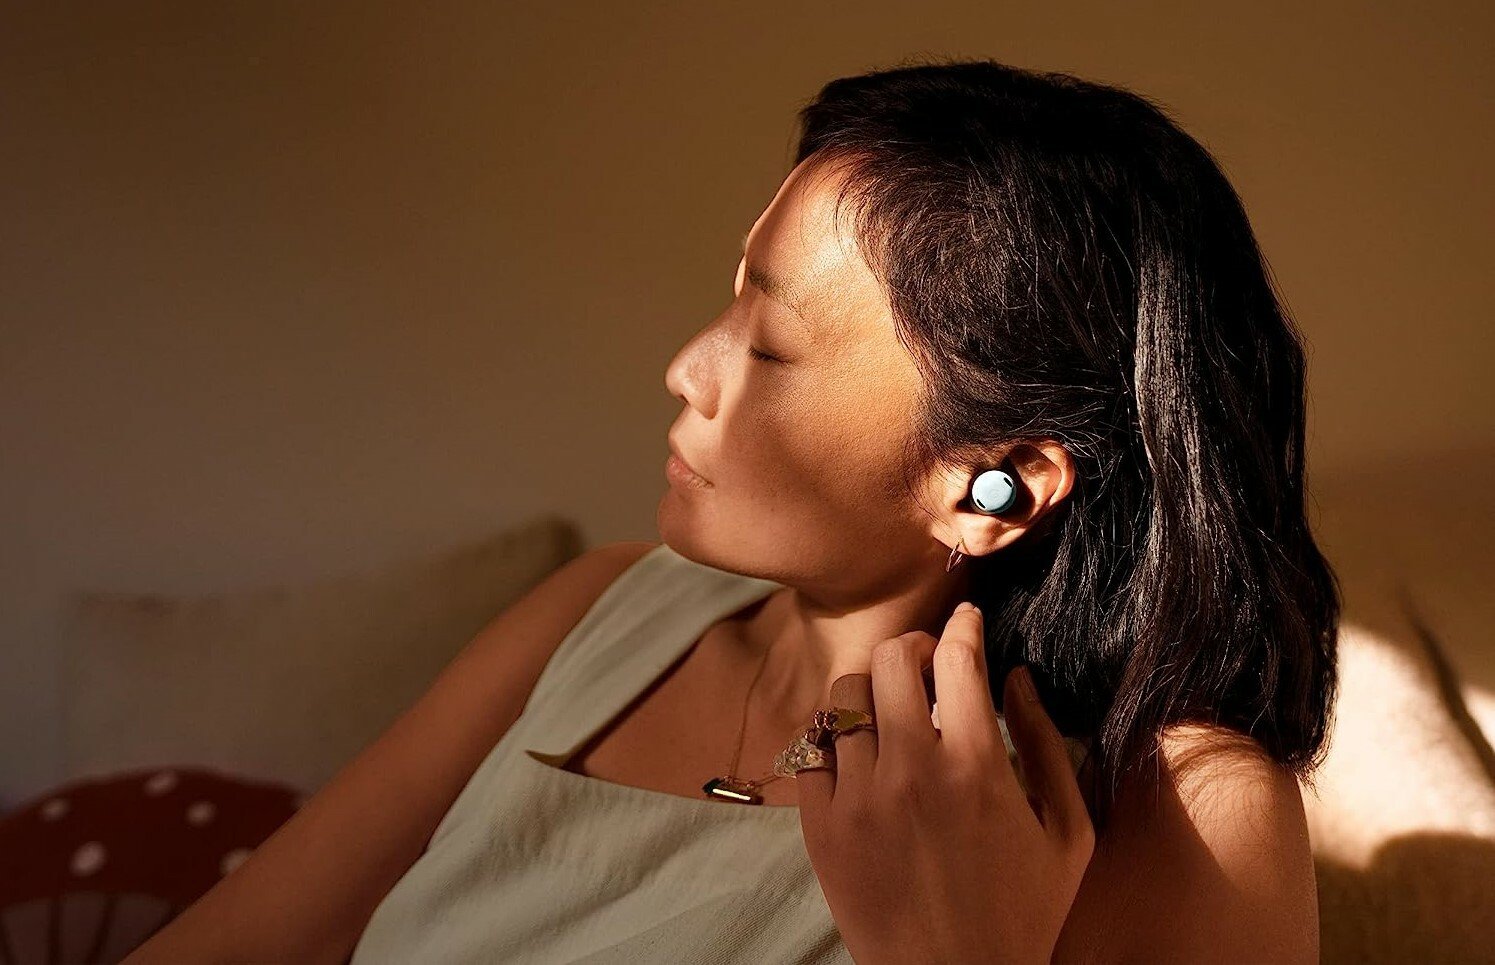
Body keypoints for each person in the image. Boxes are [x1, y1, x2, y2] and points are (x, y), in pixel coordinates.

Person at [127, 57, 1337, 964]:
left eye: (769, 345)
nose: (688, 366)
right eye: (730, 301)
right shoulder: (597, 608)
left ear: (995, 488)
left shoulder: (1187, 811)